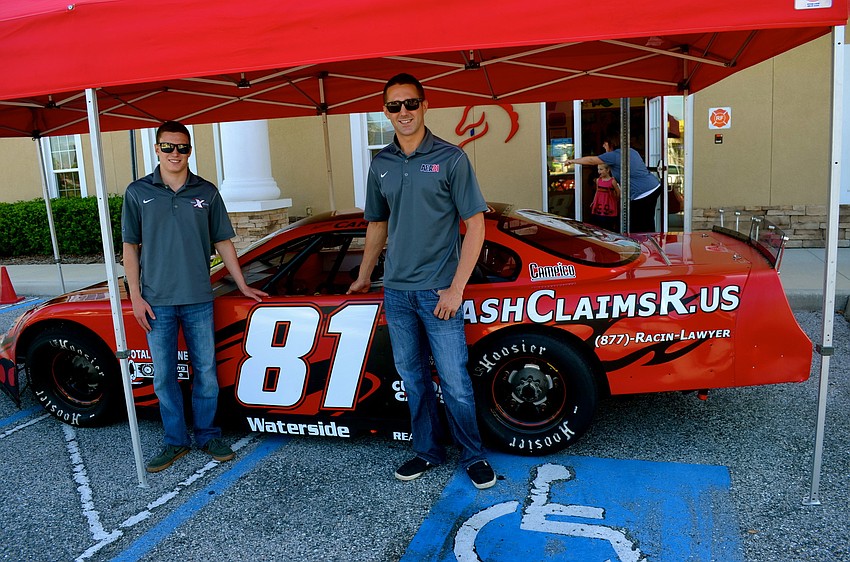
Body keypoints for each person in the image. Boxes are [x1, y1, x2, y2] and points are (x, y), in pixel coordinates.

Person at [347, 73, 496, 490]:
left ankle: (473, 456)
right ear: (385, 112)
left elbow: (476, 226)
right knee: (413, 379)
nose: (404, 112)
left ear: (425, 105)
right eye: (394, 106)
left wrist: (456, 288)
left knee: (455, 381)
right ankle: (428, 450)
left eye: (410, 103)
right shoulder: (381, 163)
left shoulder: (451, 158)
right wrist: (364, 275)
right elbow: (377, 224)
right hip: (396, 292)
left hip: (438, 292)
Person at [122, 120, 267, 473]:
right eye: (168, 147)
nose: (175, 153)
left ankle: (207, 435)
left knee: (205, 372)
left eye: (182, 147)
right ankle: (175, 441)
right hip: (156, 301)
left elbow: (223, 242)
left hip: (199, 298)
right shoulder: (138, 192)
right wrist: (135, 297)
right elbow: (130, 248)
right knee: (164, 376)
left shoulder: (207, 191)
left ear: (189, 150)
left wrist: (242, 284)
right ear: (157, 149)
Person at [568, 132, 661, 232]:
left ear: (611, 143)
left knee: (638, 225)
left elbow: (591, 160)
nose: (603, 146)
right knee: (647, 221)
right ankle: (651, 240)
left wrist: (572, 161)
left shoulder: (614, 155)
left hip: (642, 192)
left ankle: (643, 241)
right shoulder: (631, 151)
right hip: (653, 186)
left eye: (605, 143)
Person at [588, 163, 620, 232]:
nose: (599, 171)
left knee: (608, 224)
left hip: (609, 204)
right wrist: (594, 202)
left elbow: (618, 192)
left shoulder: (612, 181)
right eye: (598, 169)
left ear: (607, 170)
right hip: (599, 204)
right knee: (598, 223)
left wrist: (615, 201)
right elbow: (597, 191)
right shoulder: (598, 180)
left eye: (601, 169)